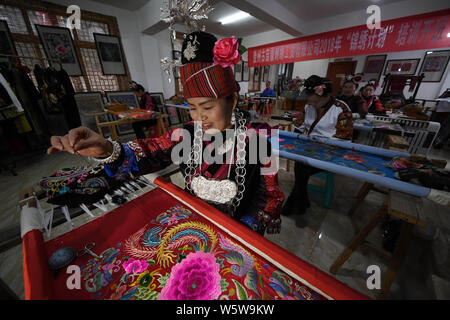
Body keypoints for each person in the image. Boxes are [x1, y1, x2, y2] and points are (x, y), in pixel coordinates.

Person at [47, 31, 284, 235]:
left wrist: (243, 231)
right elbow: (148, 152)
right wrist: (107, 149)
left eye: (208, 107)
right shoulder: (186, 135)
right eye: (192, 107)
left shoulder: (259, 139)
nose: (199, 116)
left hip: (237, 231)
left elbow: (266, 198)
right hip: (196, 226)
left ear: (231, 100)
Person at [281, 75, 353, 227]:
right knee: (301, 163)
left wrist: (319, 143)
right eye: (309, 101)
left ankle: (296, 202)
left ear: (327, 95)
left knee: (301, 165)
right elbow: (299, 126)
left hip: (330, 152)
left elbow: (345, 138)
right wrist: (299, 136)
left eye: (315, 101)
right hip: (309, 149)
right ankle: (301, 201)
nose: (311, 104)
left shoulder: (341, 109)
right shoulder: (308, 107)